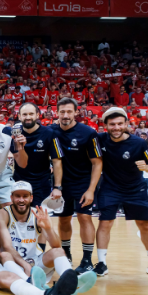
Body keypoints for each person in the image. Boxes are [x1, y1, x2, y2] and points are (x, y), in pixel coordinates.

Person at [0, 181, 96, 295]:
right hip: (13, 265)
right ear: (11, 198)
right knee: (4, 254)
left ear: (31, 198)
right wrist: (25, 265)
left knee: (58, 251)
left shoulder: (38, 213)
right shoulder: (3, 214)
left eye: (25, 196)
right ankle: (30, 283)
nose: (21, 200)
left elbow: (56, 246)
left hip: (34, 265)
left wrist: (48, 228)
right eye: (17, 196)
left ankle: (70, 281)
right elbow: (7, 247)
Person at [94, 108, 148, 276]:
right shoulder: (100, 139)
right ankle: (102, 263)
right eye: (112, 124)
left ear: (127, 124)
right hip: (110, 187)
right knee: (105, 223)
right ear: (105, 126)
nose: (116, 127)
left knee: (145, 225)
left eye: (120, 123)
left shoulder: (139, 143)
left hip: (135, 188)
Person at [51, 98, 102, 270]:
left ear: (76, 112)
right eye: (62, 112)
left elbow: (97, 163)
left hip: (82, 182)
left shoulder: (88, 132)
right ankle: (66, 254)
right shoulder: (50, 131)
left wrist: (91, 190)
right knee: (64, 219)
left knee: (84, 217)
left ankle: (87, 260)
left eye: (69, 112)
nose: (65, 115)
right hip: (60, 184)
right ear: (56, 113)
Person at [13, 103, 64, 206]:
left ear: (37, 115)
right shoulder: (15, 135)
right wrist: (20, 146)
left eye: (31, 114)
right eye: (24, 114)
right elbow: (22, 164)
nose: (28, 117)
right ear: (19, 116)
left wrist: (57, 187)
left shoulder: (49, 133)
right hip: (19, 182)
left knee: (40, 218)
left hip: (41, 183)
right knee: (19, 218)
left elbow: (57, 161)